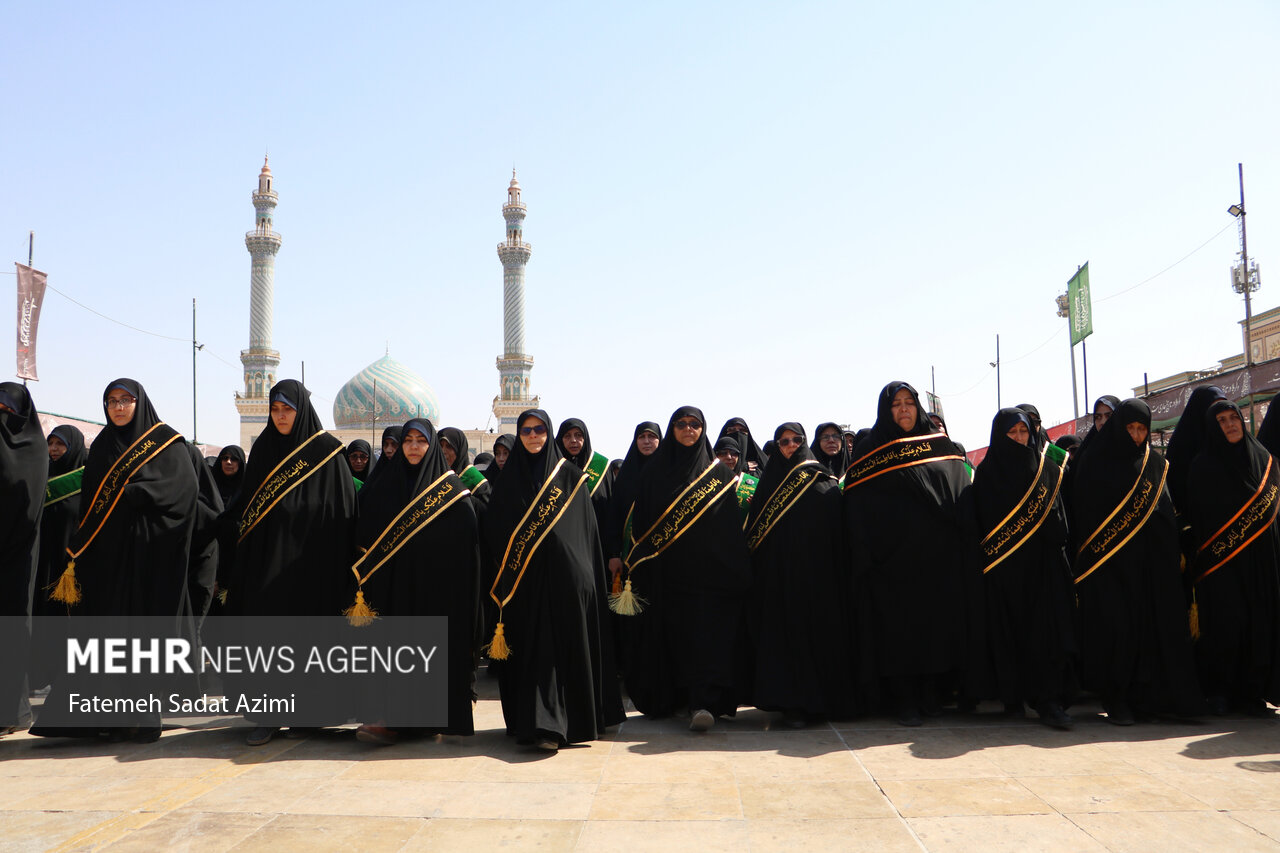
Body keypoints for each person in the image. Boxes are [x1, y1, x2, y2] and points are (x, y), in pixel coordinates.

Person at [33, 379, 198, 743]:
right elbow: (92, 504)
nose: (119, 407)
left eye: (126, 400)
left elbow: (183, 493)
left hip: (150, 559)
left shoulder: (167, 443)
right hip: (108, 561)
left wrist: (138, 493)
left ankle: (144, 717)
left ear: (139, 403)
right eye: (112, 401)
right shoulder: (104, 445)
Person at [482, 409, 623, 750]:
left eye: (539, 430)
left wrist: (579, 574)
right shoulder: (507, 482)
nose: (533, 436)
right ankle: (534, 722)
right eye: (526, 430)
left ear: (548, 435)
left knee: (561, 652)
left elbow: (584, 535)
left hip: (565, 585)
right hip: (522, 587)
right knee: (531, 653)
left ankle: (557, 726)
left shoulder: (571, 477)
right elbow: (496, 536)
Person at [225, 379, 356, 746]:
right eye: (275, 409)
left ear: (301, 411)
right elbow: (248, 512)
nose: (281, 417)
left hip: (315, 565)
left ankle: (311, 713)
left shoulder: (328, 453)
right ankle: (266, 716)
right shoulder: (264, 449)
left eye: (288, 410)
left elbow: (342, 511)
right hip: (269, 565)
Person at [842, 382, 974, 726]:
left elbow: (960, 492)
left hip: (939, 560)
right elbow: (857, 506)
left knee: (936, 628)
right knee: (898, 632)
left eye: (908, 403)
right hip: (891, 563)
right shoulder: (870, 450)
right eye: (896, 405)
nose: (903, 410)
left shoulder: (941, 445)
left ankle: (933, 694)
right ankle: (904, 699)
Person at [615, 406, 751, 731]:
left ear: (703, 430)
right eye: (681, 424)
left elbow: (730, 529)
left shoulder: (719, 475)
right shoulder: (653, 473)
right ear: (672, 429)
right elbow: (643, 525)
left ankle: (702, 703)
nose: (688, 429)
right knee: (671, 641)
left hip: (710, 579)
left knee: (706, 641)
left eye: (695, 424)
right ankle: (674, 699)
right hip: (666, 577)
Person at [1070, 398, 1202, 724]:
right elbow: (1085, 519)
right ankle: (1115, 699)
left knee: (1149, 632)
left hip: (1149, 567)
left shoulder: (1155, 465)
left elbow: (1164, 513)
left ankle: (1146, 698)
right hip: (1108, 568)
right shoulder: (1094, 463)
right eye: (1130, 427)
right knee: (1116, 632)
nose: (1137, 435)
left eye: (1142, 428)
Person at [350, 419, 480, 744]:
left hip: (435, 590)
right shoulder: (385, 486)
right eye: (407, 440)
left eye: (420, 441)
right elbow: (365, 533)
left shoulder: (451, 494)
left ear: (431, 446)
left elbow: (465, 545)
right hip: (393, 590)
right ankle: (392, 720)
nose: (412, 446)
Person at [966, 408, 1077, 729]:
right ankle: (1012, 698)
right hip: (1004, 571)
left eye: (1023, 432)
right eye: (1011, 433)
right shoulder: (987, 473)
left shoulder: (1046, 469)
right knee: (1007, 635)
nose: (1018, 439)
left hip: (1043, 569)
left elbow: (1059, 518)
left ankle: (1048, 701)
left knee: (1046, 636)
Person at [747, 422, 850, 727]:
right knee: (786, 642)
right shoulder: (767, 483)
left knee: (820, 638)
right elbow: (756, 537)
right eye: (783, 441)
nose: (790, 445)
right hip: (779, 581)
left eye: (796, 440)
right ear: (776, 446)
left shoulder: (821, 478)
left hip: (819, 578)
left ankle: (823, 702)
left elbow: (837, 529)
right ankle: (791, 705)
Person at [1185, 400, 1280, 716]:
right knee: (1227, 626)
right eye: (1222, 420)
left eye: (1234, 418)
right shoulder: (1202, 467)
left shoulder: (1265, 460)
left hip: (1262, 563)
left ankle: (1253, 694)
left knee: (1259, 625)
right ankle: (1220, 692)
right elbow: (1198, 520)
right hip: (1221, 567)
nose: (1230, 424)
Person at [0, 383, 47, 734]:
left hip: (18, 557)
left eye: (8, 412)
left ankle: (12, 711)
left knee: (13, 631)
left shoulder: (33, 450)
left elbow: (25, 503)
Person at [30, 425, 86, 689]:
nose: (53, 450)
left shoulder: (85, 479)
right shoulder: (43, 475)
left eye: (60, 444)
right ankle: (42, 673)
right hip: (45, 562)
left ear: (72, 446)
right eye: (50, 444)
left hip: (73, 565)